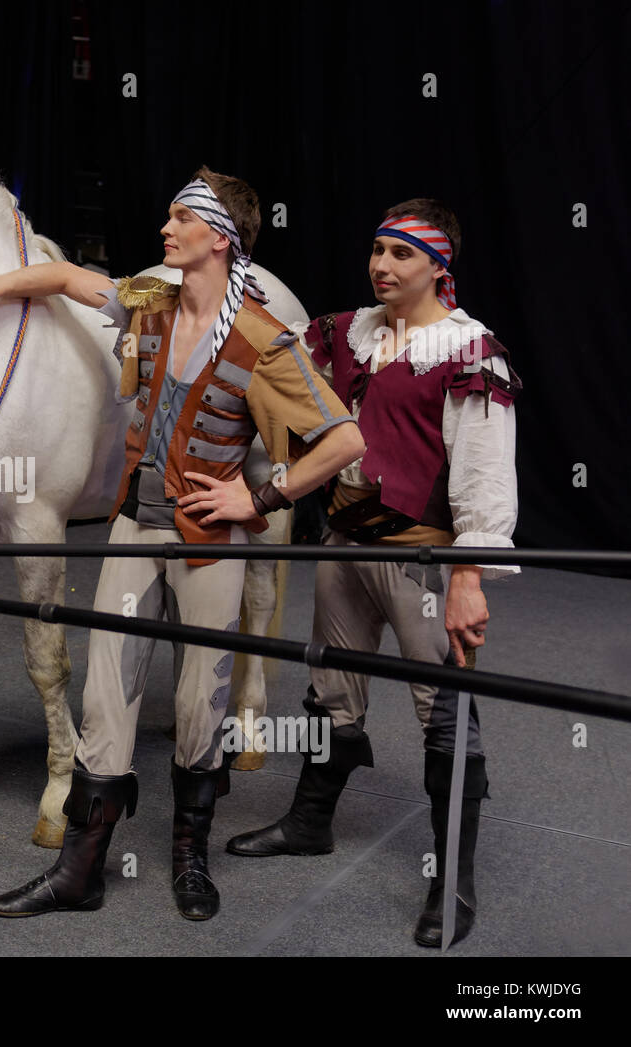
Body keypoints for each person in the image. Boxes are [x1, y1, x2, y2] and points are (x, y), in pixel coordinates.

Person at [0, 169, 364, 920]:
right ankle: (80, 868)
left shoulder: (263, 335)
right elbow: (63, 275)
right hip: (135, 526)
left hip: (210, 541)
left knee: (199, 701)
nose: (165, 227)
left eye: (179, 217)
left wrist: (257, 496)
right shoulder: (148, 303)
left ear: (217, 237)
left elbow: (345, 437)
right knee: (107, 692)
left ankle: (189, 857)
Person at [225, 200, 521, 948]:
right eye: (378, 250)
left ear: (437, 267)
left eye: (402, 255)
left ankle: (452, 879)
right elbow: (266, 353)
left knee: (445, 712)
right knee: (330, 687)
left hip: (422, 556)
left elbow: (485, 476)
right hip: (344, 542)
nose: (382, 266)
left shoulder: (467, 349)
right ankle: (310, 822)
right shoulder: (345, 332)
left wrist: (469, 575)